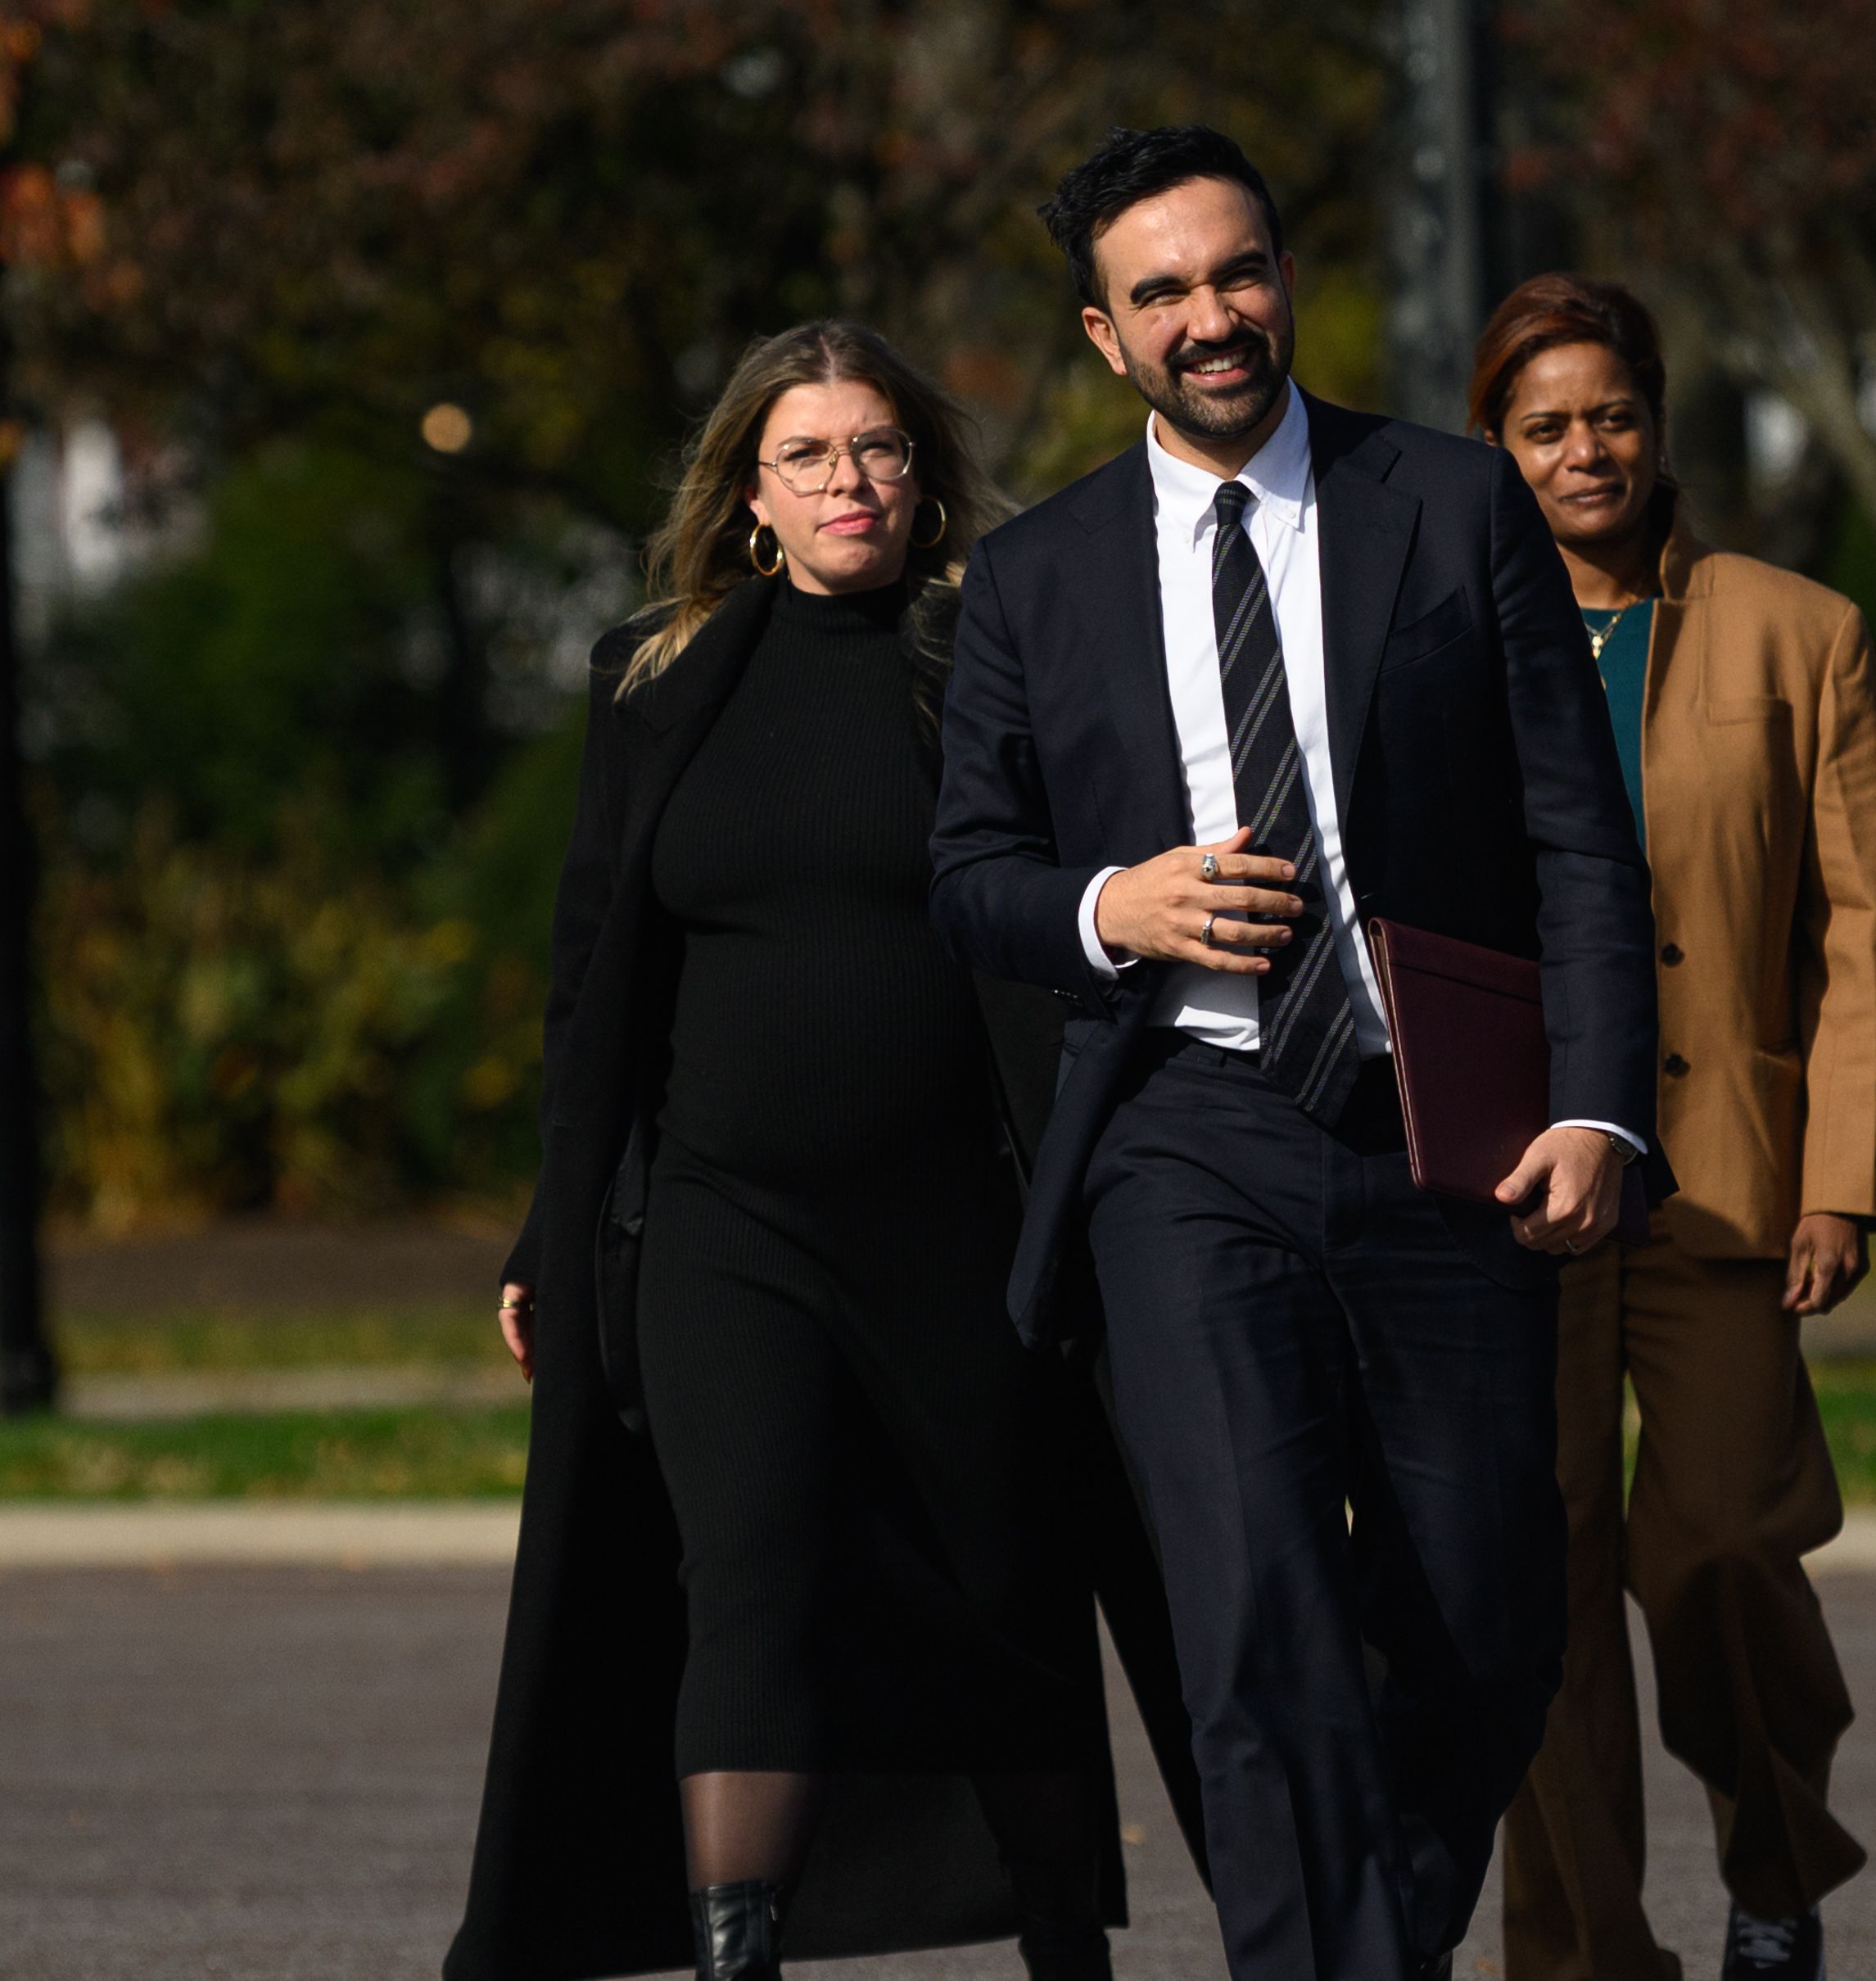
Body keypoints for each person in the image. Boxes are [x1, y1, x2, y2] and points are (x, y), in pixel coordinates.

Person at [927, 128, 1671, 1981]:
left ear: (1285, 274)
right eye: (1160, 292)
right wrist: (1122, 905)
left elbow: (1576, 829)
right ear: (1104, 339)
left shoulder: (1451, 500)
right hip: (1184, 1139)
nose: (1210, 316)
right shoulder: (1035, 580)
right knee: (1253, 1619)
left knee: (1497, 1615)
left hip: (1447, 1136)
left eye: (1234, 271)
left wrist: (1596, 1101)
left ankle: (1363, 1951)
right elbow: (968, 879)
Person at [451, 321, 1201, 1981]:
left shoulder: (991, 659)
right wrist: (548, 1227)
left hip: (965, 1233)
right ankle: (740, 1956)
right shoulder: (650, 679)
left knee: (1004, 1599)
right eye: (807, 456)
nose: (847, 481)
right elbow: (598, 988)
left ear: (920, 477)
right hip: (728, 1229)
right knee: (753, 1586)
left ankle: (1065, 1946)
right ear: (748, 495)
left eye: (876, 449)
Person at [1467, 274, 1876, 1981]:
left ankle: (1774, 1857)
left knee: (1721, 1541)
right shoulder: (1440, 630)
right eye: (1544, 426)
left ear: (1655, 422)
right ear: (1495, 449)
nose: (1585, 451)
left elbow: (1858, 925)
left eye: (1611, 415)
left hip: (1729, 1173)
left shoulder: (1796, 628)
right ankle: (1579, 1954)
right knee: (1539, 1577)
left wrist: (1844, 1177)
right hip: (1513, 1185)